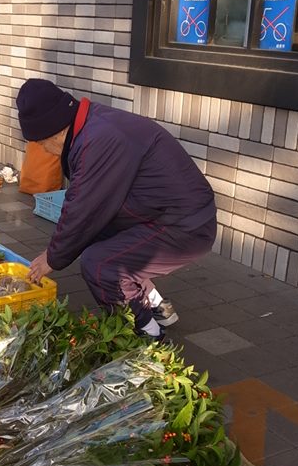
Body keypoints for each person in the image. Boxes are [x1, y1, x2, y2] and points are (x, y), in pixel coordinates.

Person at [16, 79, 217, 338]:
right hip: (164, 213)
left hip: (186, 226)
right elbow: (87, 209)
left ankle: (146, 337)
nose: (45, 150)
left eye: (42, 143)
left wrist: (52, 258)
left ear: (56, 131)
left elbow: (83, 208)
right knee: (100, 242)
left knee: (101, 265)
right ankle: (157, 307)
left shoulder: (98, 141)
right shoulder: (91, 124)